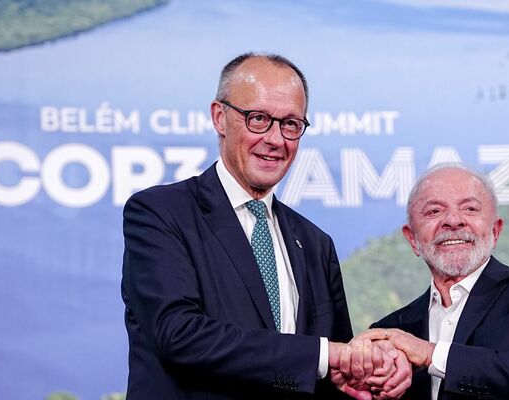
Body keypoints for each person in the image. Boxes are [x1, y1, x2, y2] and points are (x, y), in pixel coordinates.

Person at [121, 53, 409, 399]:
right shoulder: (161, 213)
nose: (275, 139)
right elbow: (178, 334)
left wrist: (371, 375)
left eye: (290, 124)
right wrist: (325, 354)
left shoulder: (315, 243)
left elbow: (335, 370)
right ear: (219, 117)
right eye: (258, 119)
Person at [359, 163, 509, 399]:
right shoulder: (391, 332)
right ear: (413, 239)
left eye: (470, 208)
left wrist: (431, 354)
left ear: (495, 231)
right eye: (434, 211)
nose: (454, 220)